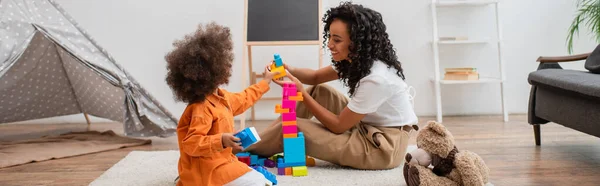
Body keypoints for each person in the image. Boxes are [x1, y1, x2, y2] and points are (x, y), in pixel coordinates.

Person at [245, 2, 418, 170]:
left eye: (337, 40)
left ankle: (236, 149)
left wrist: (300, 93)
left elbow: (338, 126)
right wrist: (287, 68)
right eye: (330, 37)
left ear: (357, 43)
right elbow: (315, 77)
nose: (329, 45)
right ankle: (260, 140)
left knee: (292, 128)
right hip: (368, 126)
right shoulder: (359, 60)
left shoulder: (376, 78)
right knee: (319, 91)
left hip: (382, 147)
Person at [164, 22, 279, 186]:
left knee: (258, 178)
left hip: (221, 161)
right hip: (209, 170)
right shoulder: (201, 108)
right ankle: (192, 178)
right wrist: (221, 140)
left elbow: (244, 98)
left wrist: (266, 81)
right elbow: (191, 144)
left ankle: (190, 176)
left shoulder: (221, 97)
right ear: (214, 70)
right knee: (260, 182)